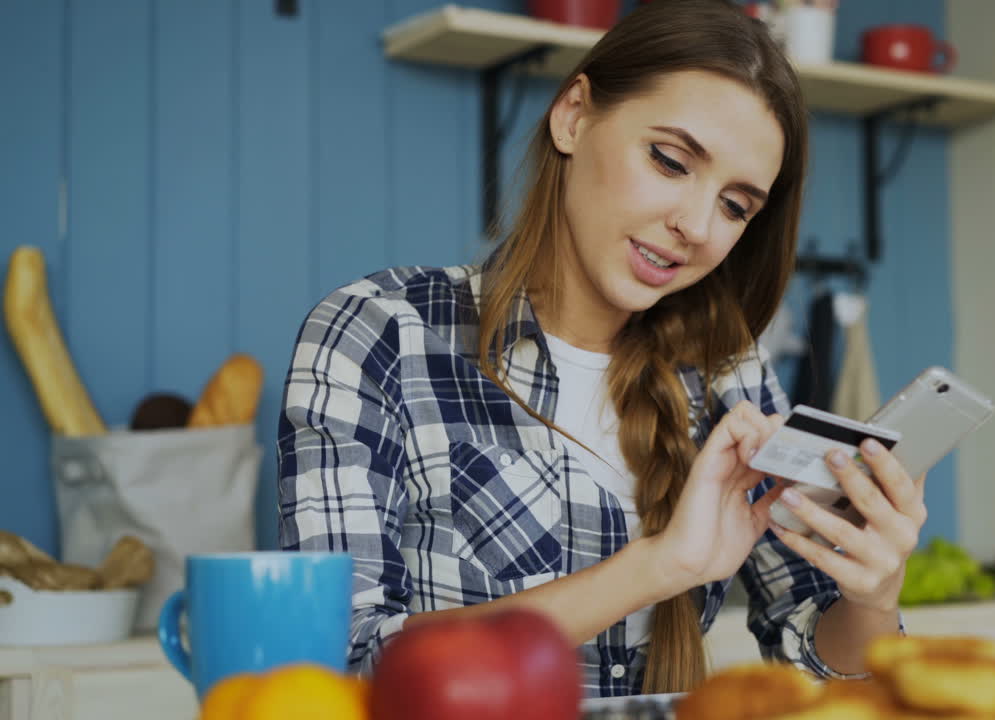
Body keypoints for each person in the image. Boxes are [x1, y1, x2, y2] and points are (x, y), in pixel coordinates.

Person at [277, 0, 926, 698]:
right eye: (671, 161)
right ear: (574, 115)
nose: (697, 226)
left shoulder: (726, 370)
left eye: (736, 206)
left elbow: (812, 661)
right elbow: (338, 676)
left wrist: (872, 596)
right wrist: (658, 566)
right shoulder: (380, 334)